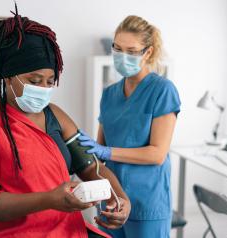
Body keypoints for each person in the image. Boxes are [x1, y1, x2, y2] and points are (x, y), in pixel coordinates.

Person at [0, 6, 130, 238]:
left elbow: (91, 166)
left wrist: (119, 198)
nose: (43, 89)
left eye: (50, 81)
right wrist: (49, 199)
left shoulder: (54, 116)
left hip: (63, 230)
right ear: (8, 76)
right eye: (34, 80)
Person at [78, 15, 181, 238]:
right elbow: (100, 150)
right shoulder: (109, 94)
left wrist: (107, 151)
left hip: (147, 202)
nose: (122, 56)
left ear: (148, 52)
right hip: (112, 199)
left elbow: (157, 154)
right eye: (117, 48)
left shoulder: (162, 90)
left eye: (131, 51)